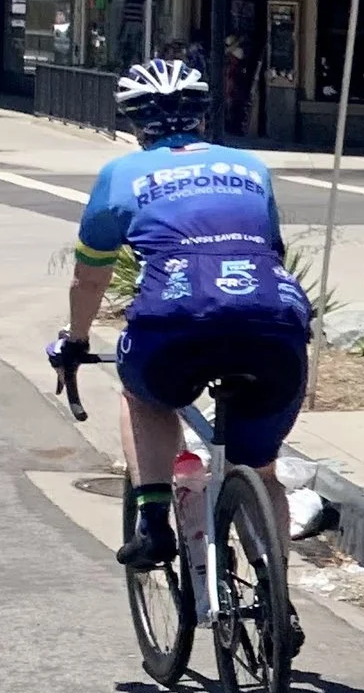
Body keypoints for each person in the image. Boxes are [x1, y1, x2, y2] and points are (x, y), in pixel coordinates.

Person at [45, 59, 311, 579]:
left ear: (133, 122)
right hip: (272, 316)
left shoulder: (120, 175)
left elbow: (89, 278)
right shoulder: (251, 167)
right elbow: (271, 248)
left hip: (176, 318)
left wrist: (75, 340)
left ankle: (152, 522)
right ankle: (279, 600)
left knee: (143, 397)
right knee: (260, 469)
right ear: (202, 117)